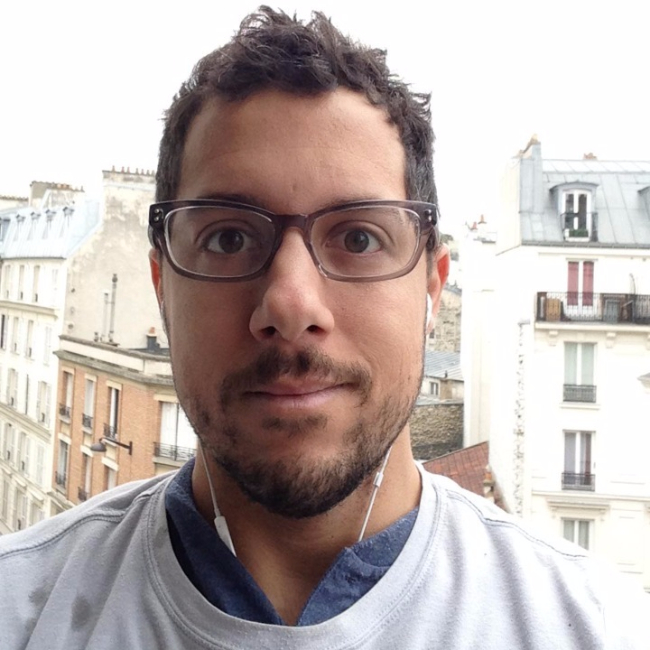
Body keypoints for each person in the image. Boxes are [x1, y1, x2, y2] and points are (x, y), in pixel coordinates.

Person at [0, 7, 648, 649]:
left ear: (432, 286)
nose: (290, 305)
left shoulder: (603, 628)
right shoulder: (19, 610)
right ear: (162, 285)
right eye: (228, 238)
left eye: (360, 237)